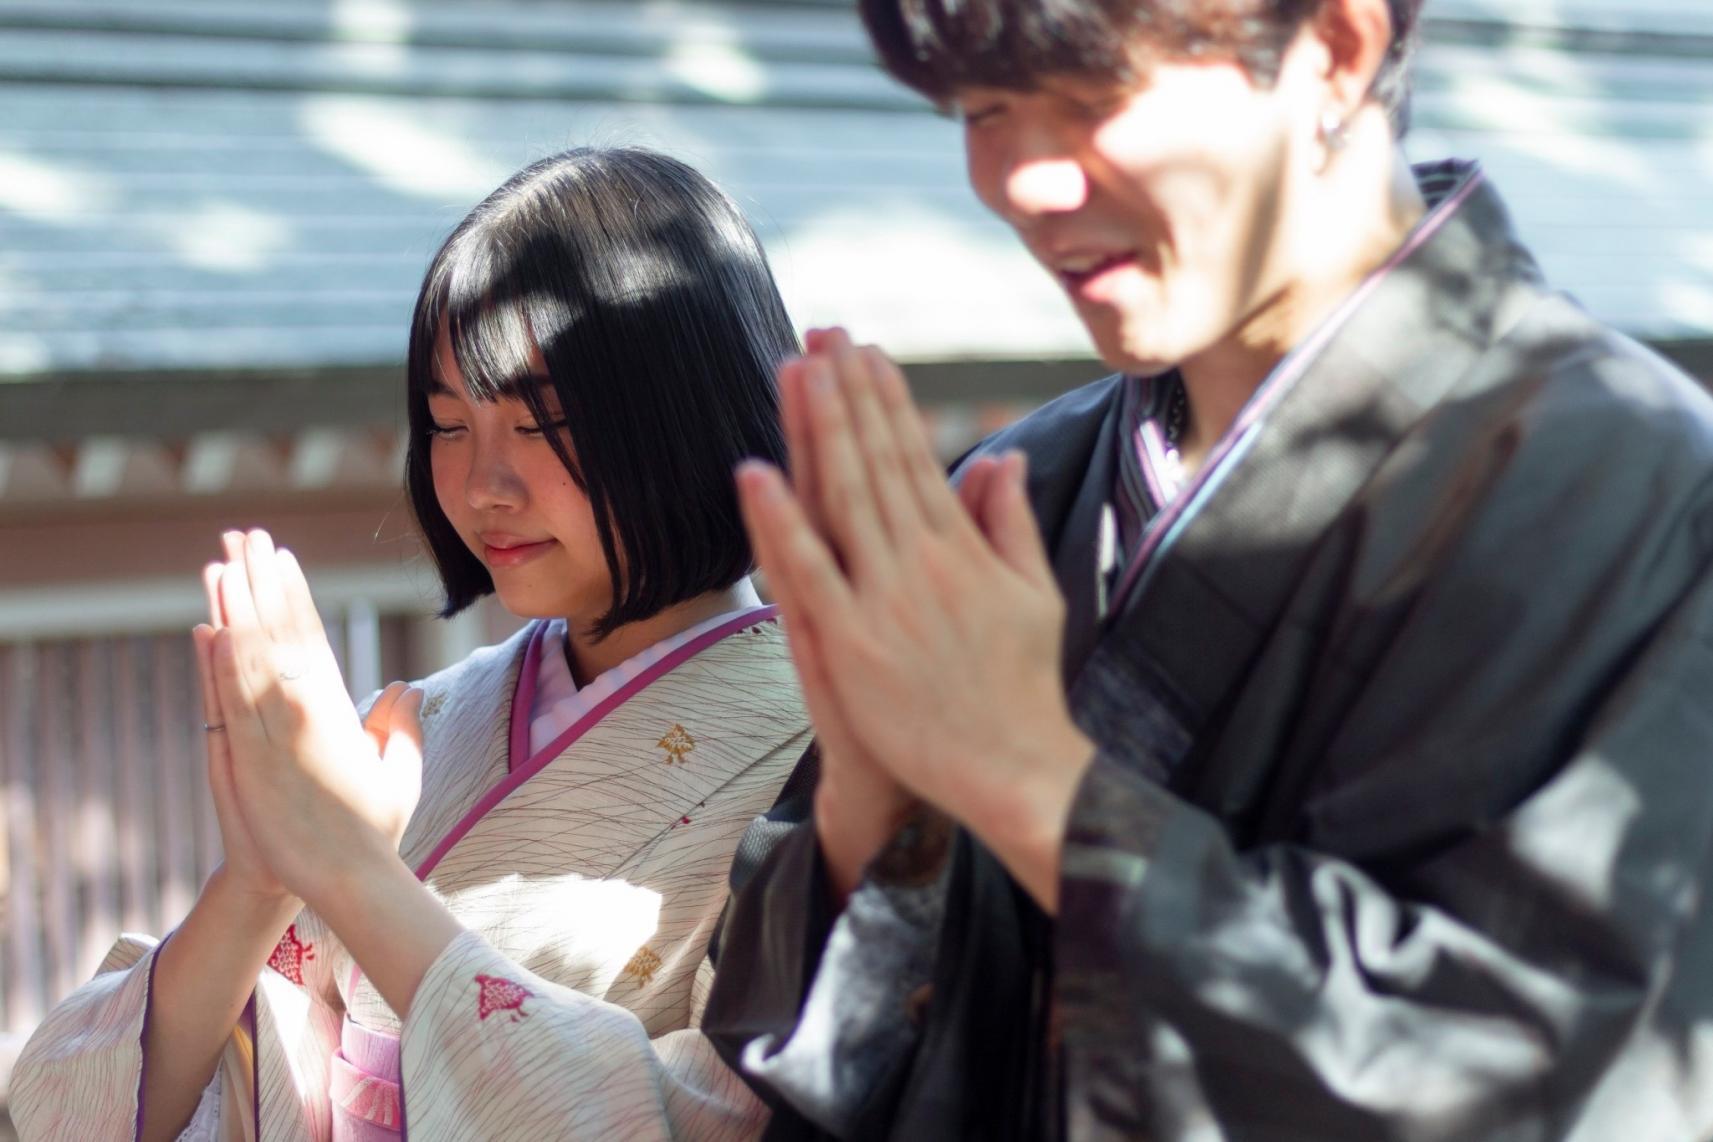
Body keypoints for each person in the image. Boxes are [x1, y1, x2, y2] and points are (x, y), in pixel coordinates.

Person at [701, 0, 1713, 1137]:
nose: (1024, 183)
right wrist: (879, 804)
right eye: (983, 109)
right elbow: (794, 1051)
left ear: (1334, 48)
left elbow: (1548, 1080)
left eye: (1093, 101)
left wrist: (1030, 779)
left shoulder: (1634, 485)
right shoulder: (1021, 487)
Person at [13, 147, 808, 1140]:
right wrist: (264, 876)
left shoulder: (829, 761)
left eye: (541, 422)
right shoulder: (416, 729)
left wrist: (350, 868)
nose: (483, 485)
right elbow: (72, 1117)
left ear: (687, 413)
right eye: (447, 423)